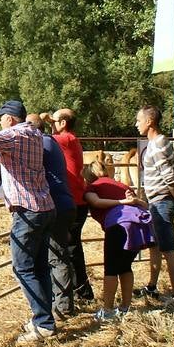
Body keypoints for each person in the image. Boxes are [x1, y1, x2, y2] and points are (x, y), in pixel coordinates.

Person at [0, 100, 58, 344]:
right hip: (45, 205)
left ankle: (43, 323)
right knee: (41, 267)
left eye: (1, 118)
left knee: (22, 267)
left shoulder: (15, 135)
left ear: (10, 119)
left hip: (27, 210)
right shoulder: (33, 133)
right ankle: (44, 318)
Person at [83, 162, 150, 321]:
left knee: (111, 268)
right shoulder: (121, 185)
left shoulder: (92, 187)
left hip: (118, 223)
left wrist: (121, 203)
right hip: (139, 224)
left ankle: (107, 311)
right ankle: (125, 307)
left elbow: (96, 202)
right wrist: (130, 201)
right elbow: (143, 204)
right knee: (125, 266)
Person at [135, 105, 174, 309]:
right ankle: (152, 286)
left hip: (162, 200)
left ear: (149, 122)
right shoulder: (157, 143)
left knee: (168, 248)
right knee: (156, 245)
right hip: (158, 200)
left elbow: (170, 177)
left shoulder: (157, 145)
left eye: (139, 120)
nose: (136, 124)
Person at [30, 113, 78, 317]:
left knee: (56, 257)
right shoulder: (51, 142)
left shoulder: (40, 144)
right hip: (66, 203)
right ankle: (60, 302)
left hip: (56, 205)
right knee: (58, 255)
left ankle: (63, 307)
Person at [50, 108, 95, 302]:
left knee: (69, 249)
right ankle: (81, 292)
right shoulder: (71, 139)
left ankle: (81, 293)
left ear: (63, 123)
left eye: (55, 120)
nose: (52, 122)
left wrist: (42, 120)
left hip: (73, 200)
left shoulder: (66, 139)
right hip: (76, 199)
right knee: (71, 247)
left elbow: (39, 139)